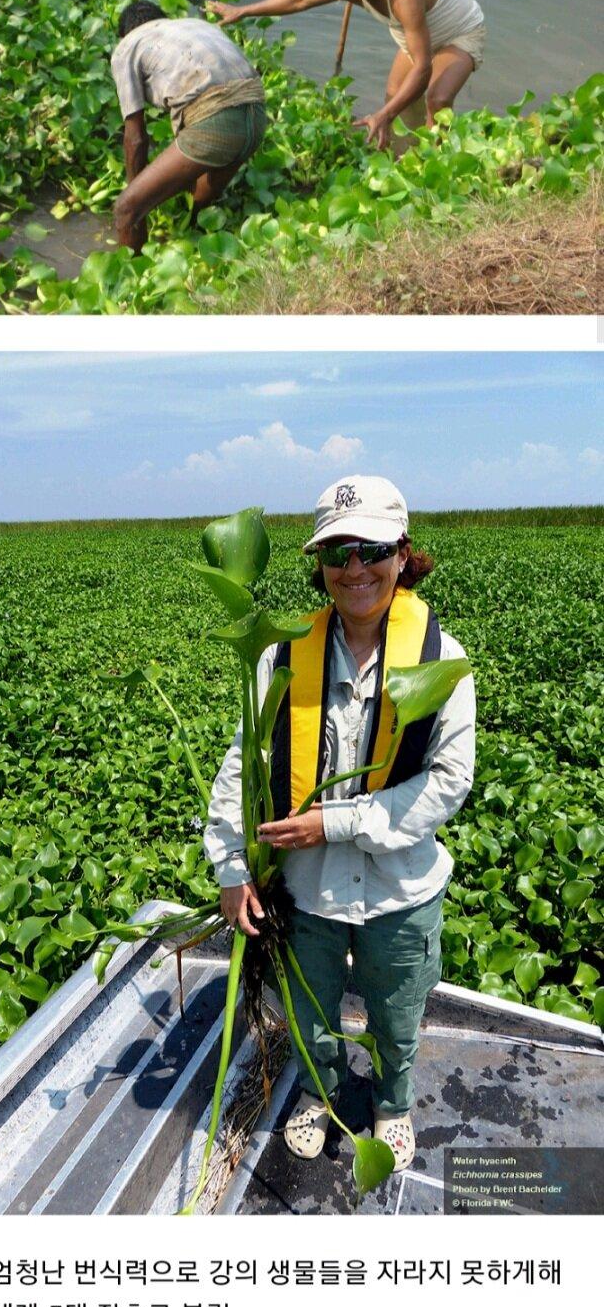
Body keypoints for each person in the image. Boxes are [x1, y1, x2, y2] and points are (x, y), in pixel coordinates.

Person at [204, 474, 476, 1173]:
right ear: (319, 564)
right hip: (308, 889)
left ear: (402, 552)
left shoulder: (443, 659)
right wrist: (232, 866)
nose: (355, 569)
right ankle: (319, 1094)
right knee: (309, 1009)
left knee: (396, 1012)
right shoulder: (281, 653)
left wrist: (340, 821)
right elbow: (243, 763)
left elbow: (449, 782)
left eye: (371, 549)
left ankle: (392, 1103)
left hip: (401, 888)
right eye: (337, 553)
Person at [210, 0, 485, 150]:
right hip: (416, 35)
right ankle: (408, 153)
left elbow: (424, 67)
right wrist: (243, 11)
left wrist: (383, 115)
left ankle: (439, 163)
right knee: (395, 95)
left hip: (458, 33)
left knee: (436, 99)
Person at [110, 0, 266, 250]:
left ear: (124, 33)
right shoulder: (197, 25)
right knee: (201, 191)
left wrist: (137, 196)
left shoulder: (128, 45)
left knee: (126, 208)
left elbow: (135, 138)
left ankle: (134, 277)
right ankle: (195, 234)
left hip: (215, 122)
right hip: (257, 117)